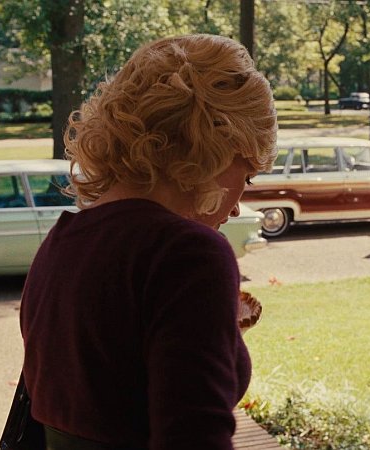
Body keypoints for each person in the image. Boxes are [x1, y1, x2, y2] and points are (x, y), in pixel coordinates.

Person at [19, 34, 277, 449]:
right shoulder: (188, 254)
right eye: (247, 175)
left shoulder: (63, 241)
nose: (235, 208)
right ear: (222, 145)